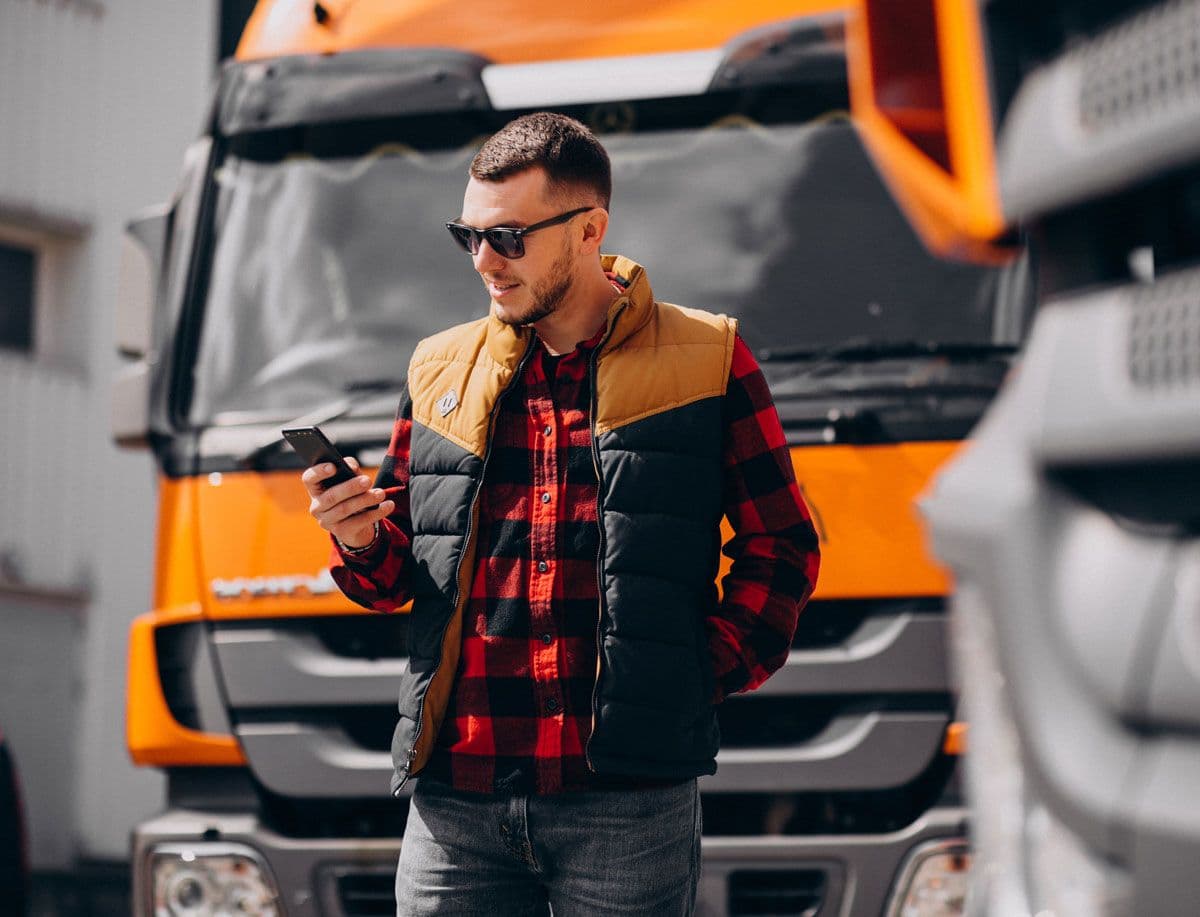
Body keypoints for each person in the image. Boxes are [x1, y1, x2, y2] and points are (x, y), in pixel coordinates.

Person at [301, 112, 819, 916]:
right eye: (467, 236)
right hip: (454, 803)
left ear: (589, 230)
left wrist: (693, 673)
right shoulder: (439, 368)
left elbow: (781, 543)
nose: (483, 261)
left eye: (507, 237)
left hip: (627, 804)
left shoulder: (709, 357)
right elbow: (398, 577)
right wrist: (359, 533)